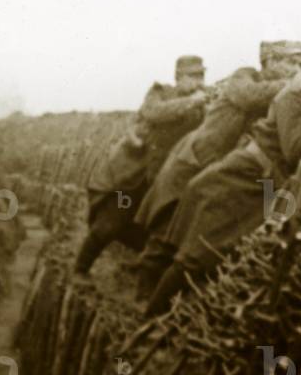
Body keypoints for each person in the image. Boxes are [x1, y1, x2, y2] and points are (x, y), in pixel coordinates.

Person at [145, 36, 301, 316]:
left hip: (270, 184)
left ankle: (178, 318)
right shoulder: (297, 93)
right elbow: (296, 149)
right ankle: (149, 320)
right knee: (197, 255)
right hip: (242, 177)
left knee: (229, 256)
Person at [133, 41, 301, 297]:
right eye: (290, 63)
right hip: (194, 159)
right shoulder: (244, 77)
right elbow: (249, 95)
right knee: (169, 219)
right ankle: (145, 287)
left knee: (200, 223)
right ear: (269, 62)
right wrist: (293, 85)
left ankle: (171, 286)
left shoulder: (282, 96)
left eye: (299, 65)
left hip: (224, 166)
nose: (295, 69)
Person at [75, 55, 209, 273]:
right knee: (112, 221)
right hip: (129, 178)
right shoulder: (160, 93)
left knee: (151, 229)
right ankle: (80, 269)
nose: (199, 81)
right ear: (178, 77)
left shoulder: (200, 106)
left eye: (201, 75)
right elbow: (155, 112)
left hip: (158, 181)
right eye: (193, 76)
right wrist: (194, 100)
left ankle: (137, 268)